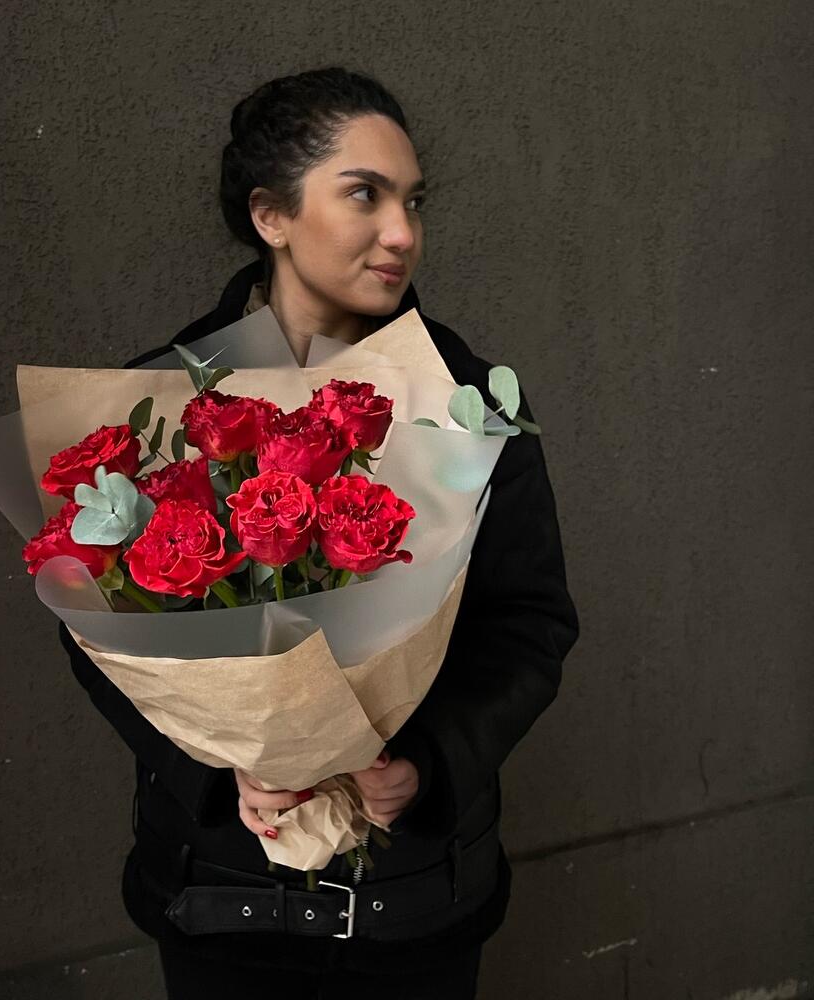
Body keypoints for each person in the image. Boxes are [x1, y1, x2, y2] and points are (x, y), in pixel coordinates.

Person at [59, 67, 579, 999]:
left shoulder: (464, 400)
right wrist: (216, 770)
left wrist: (426, 765)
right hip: (220, 899)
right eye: (365, 195)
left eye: (413, 200)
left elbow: (530, 622)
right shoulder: (161, 403)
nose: (402, 232)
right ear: (272, 216)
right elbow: (95, 628)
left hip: (416, 905)